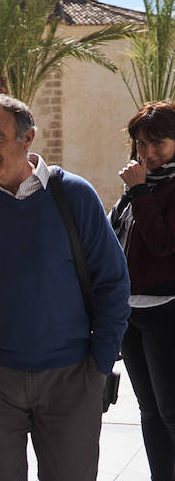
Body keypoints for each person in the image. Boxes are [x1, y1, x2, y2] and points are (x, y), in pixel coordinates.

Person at [0, 95, 130, 481]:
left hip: (71, 379)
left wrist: (99, 367)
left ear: (28, 139)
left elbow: (113, 282)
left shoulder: (75, 195)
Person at [110, 101, 175, 481]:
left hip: (166, 311)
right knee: (148, 412)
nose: (148, 154)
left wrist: (139, 193)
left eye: (159, 144)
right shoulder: (139, 187)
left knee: (170, 412)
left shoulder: (146, 189)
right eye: (141, 144)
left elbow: (163, 243)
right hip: (131, 312)